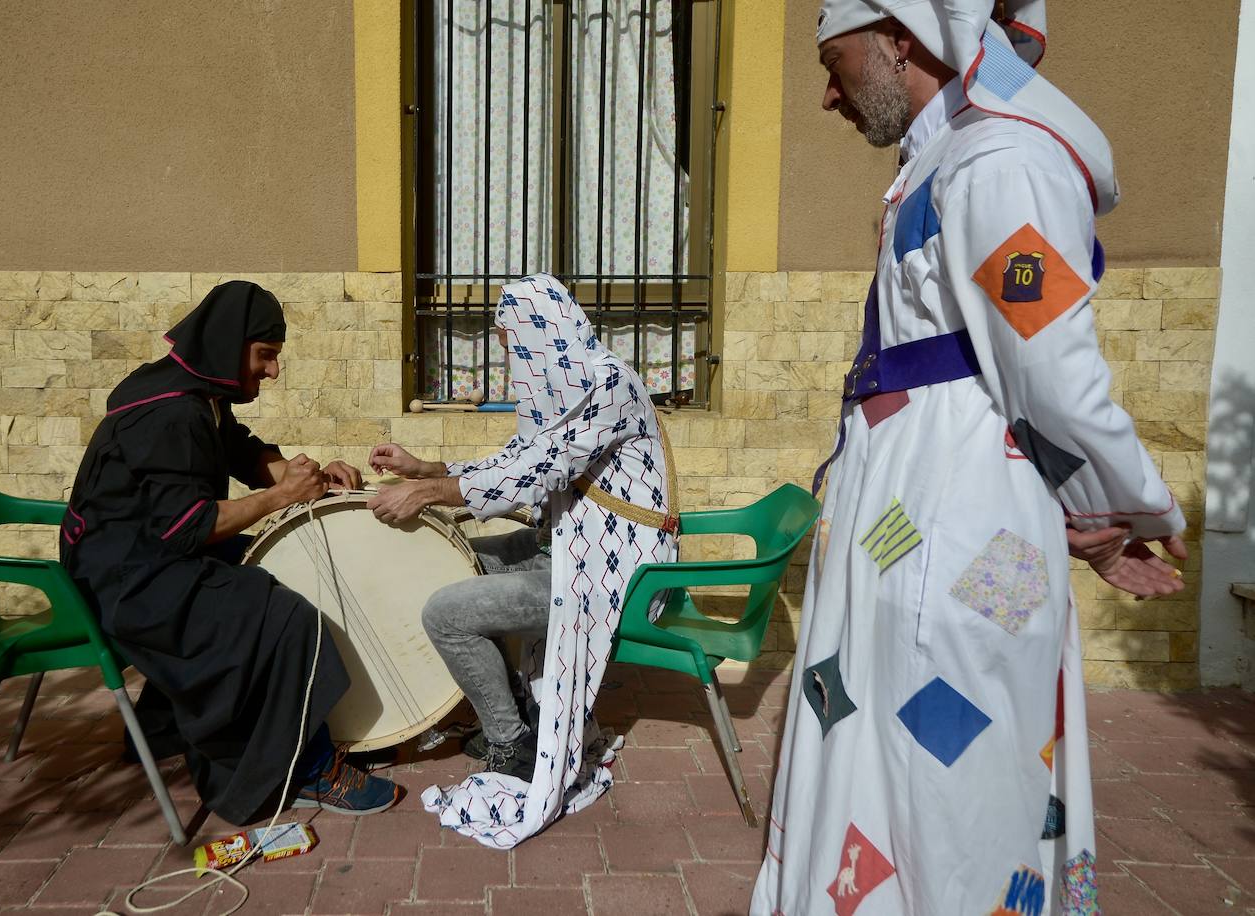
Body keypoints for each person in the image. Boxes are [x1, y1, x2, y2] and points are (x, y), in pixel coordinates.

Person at [751, 2, 1187, 913]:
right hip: (918, 519)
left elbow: (1049, 362)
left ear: (900, 37)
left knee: (957, 768)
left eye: (835, 65)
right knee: (889, 746)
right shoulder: (946, 161)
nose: (827, 96)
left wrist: (1121, 511)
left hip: (961, 532)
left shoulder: (1002, 163)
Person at [61, 280, 399, 825]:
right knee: (285, 617)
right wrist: (280, 496)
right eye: (265, 356)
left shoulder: (195, 394)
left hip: (144, 555)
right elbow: (190, 527)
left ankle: (165, 723)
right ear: (227, 345)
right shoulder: (170, 413)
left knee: (291, 560)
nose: (273, 370)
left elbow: (239, 451)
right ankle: (303, 767)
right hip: (126, 582)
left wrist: (307, 479)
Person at [364, 273, 679, 847]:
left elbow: (538, 473)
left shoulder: (606, 385)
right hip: (569, 547)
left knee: (446, 613)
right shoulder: (575, 383)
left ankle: (512, 742)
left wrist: (428, 495)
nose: (510, 361)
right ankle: (515, 708)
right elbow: (518, 457)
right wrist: (426, 470)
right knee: (457, 561)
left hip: (615, 573)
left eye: (512, 345)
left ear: (542, 334)